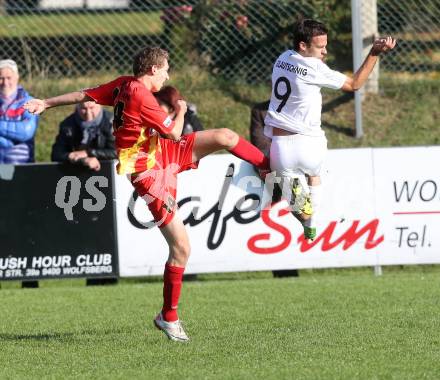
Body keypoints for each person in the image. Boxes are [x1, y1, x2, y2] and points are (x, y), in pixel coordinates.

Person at [24, 46, 270, 342]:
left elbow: (83, 95)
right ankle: (169, 317)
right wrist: (180, 110)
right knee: (181, 248)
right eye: (166, 68)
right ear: (153, 69)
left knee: (225, 136)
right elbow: (176, 134)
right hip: (148, 174)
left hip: (160, 153)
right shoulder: (140, 94)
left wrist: (46, 102)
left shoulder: (123, 85)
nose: (168, 73)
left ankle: (269, 169)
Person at [264, 19, 396, 241]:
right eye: (320, 47)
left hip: (280, 148)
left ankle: (306, 221)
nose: (325, 51)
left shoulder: (282, 59)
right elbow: (355, 84)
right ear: (303, 46)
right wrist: (374, 52)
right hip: (309, 144)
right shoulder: (314, 68)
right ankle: (310, 216)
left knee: (295, 193)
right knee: (315, 175)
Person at [51, 101, 116, 171]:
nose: (88, 113)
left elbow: (119, 152)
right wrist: (75, 158)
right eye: (83, 108)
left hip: (112, 171)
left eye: (92, 108)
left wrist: (88, 153)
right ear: (77, 108)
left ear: (100, 106)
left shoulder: (113, 124)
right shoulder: (67, 125)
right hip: (76, 173)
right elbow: (56, 154)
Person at [0, 59, 39, 164]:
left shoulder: (29, 102)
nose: (5, 82)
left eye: (9, 78)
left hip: (21, 163)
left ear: (17, 77)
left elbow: (26, 132)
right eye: (1, 78)